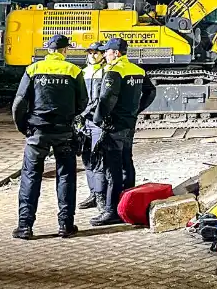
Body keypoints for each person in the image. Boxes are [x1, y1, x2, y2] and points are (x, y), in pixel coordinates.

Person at [11, 34, 87, 239]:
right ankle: (66, 225)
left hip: (37, 133)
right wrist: (68, 116)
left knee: (30, 177)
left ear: (49, 50)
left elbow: (19, 103)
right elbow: (83, 103)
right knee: (66, 177)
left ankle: (25, 227)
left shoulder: (33, 69)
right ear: (65, 51)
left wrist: (24, 127)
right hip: (63, 132)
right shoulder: (74, 70)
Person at [88, 37, 155, 226]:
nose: (105, 55)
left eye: (107, 52)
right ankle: (129, 204)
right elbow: (151, 91)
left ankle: (111, 210)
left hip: (114, 125)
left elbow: (107, 98)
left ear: (116, 53)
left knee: (112, 169)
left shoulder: (114, 70)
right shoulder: (138, 70)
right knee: (127, 162)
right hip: (129, 124)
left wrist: (98, 119)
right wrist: (136, 110)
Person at [76, 41, 107, 210]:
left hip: (97, 122)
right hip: (85, 122)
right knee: (87, 158)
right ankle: (94, 194)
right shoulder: (83, 73)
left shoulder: (106, 72)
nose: (93, 56)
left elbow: (100, 100)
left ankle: (101, 197)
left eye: (96, 53)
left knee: (98, 159)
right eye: (90, 53)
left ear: (102, 54)